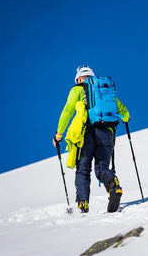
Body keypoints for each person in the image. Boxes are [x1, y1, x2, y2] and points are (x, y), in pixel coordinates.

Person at [53, 65, 130, 213]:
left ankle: (83, 204)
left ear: (79, 78)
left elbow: (68, 110)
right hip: (106, 133)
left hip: (86, 134)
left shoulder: (77, 89)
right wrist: (126, 117)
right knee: (102, 169)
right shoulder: (103, 91)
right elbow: (123, 111)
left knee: (83, 169)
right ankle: (114, 186)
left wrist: (59, 134)